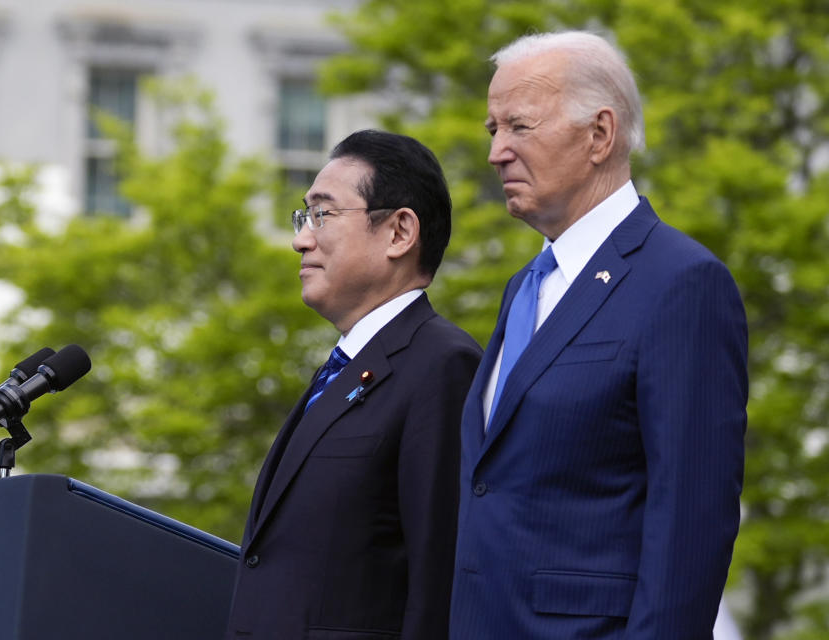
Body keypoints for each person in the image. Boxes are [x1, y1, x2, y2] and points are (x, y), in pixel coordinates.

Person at [448, 31, 748, 639]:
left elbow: (691, 524)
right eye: (492, 130)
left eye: (519, 127)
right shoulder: (523, 288)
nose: (496, 152)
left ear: (599, 135)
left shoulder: (682, 283)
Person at [224, 129, 482, 640]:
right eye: (304, 216)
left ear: (399, 233)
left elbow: (440, 582)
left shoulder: (442, 365)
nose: (301, 238)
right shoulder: (345, 364)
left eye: (323, 214)